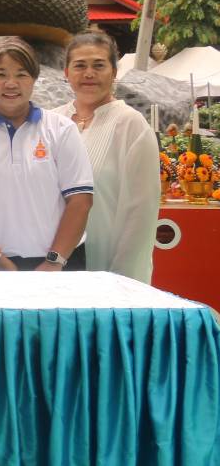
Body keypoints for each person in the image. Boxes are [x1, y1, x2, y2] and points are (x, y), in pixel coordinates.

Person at [0, 37, 94, 271]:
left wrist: (54, 262)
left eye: (21, 74)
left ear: (34, 79)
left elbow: (80, 200)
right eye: (1, 74)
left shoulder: (62, 130)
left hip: (59, 264)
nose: (11, 84)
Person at [51, 30, 161, 281]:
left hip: (109, 268)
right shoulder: (52, 121)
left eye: (99, 65)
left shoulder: (131, 125)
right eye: (80, 66)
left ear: (114, 72)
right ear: (66, 72)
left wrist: (121, 279)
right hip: (53, 267)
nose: (89, 73)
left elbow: (141, 213)